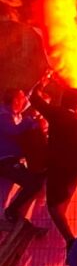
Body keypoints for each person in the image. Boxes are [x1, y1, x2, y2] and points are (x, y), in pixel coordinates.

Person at [30, 81, 77, 249]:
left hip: (57, 166)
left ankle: (70, 239)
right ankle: (70, 238)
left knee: (53, 206)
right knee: (63, 202)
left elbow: (34, 98)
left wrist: (42, 81)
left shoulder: (56, 113)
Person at [0, 87, 45, 226]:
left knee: (3, 192)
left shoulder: (13, 114)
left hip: (9, 160)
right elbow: (13, 131)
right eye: (22, 97)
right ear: (15, 100)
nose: (25, 100)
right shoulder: (3, 115)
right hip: (5, 161)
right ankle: (12, 212)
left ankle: (5, 216)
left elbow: (28, 101)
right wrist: (30, 121)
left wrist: (42, 83)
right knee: (34, 183)